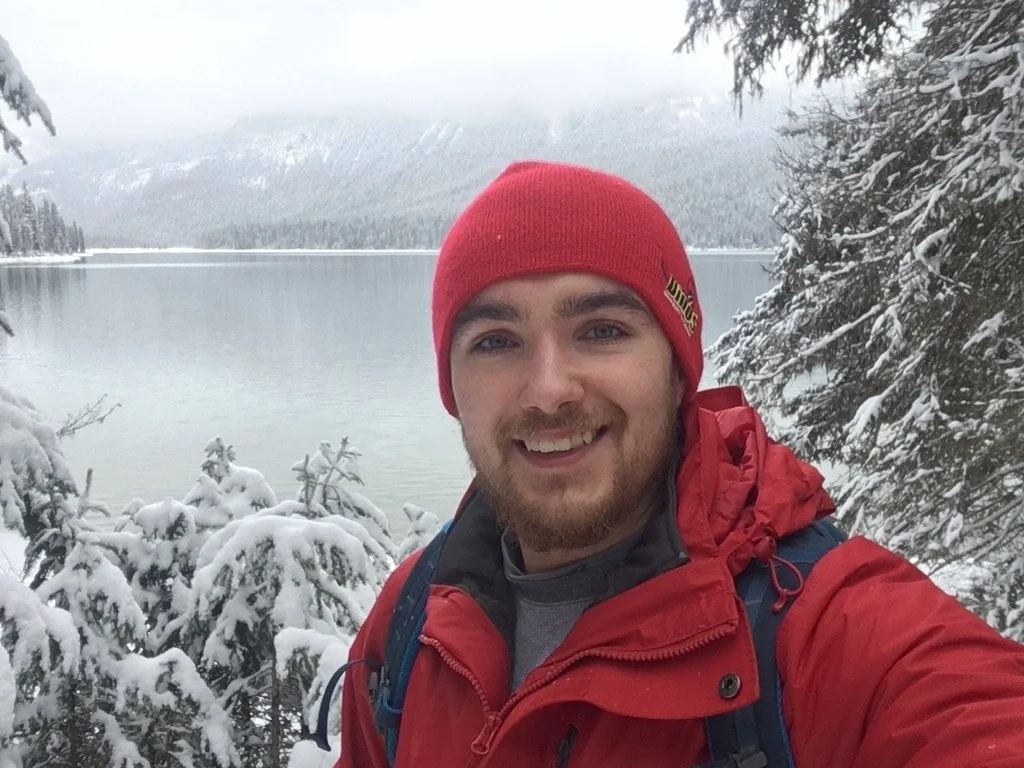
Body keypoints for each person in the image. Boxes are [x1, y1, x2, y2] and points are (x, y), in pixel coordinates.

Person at [337, 161, 1024, 767]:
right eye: (495, 342)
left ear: (676, 371)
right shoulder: (413, 622)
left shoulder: (825, 634)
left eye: (602, 331)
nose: (549, 390)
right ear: (453, 390)